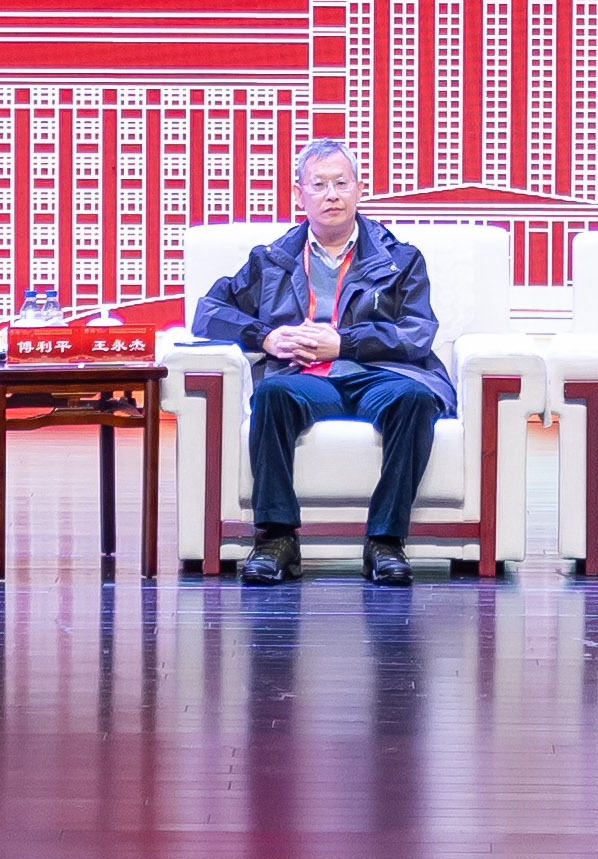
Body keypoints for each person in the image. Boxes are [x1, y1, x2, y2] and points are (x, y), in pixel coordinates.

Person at [188, 138, 451, 584]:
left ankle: (386, 541)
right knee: (272, 394)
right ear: (299, 194)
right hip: (305, 378)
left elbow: (418, 332)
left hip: (378, 375)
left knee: (414, 399)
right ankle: (276, 540)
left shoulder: (399, 259)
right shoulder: (272, 260)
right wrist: (266, 336)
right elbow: (208, 313)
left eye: (341, 183)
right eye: (319, 185)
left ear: (359, 190)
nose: (332, 195)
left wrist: (345, 344)